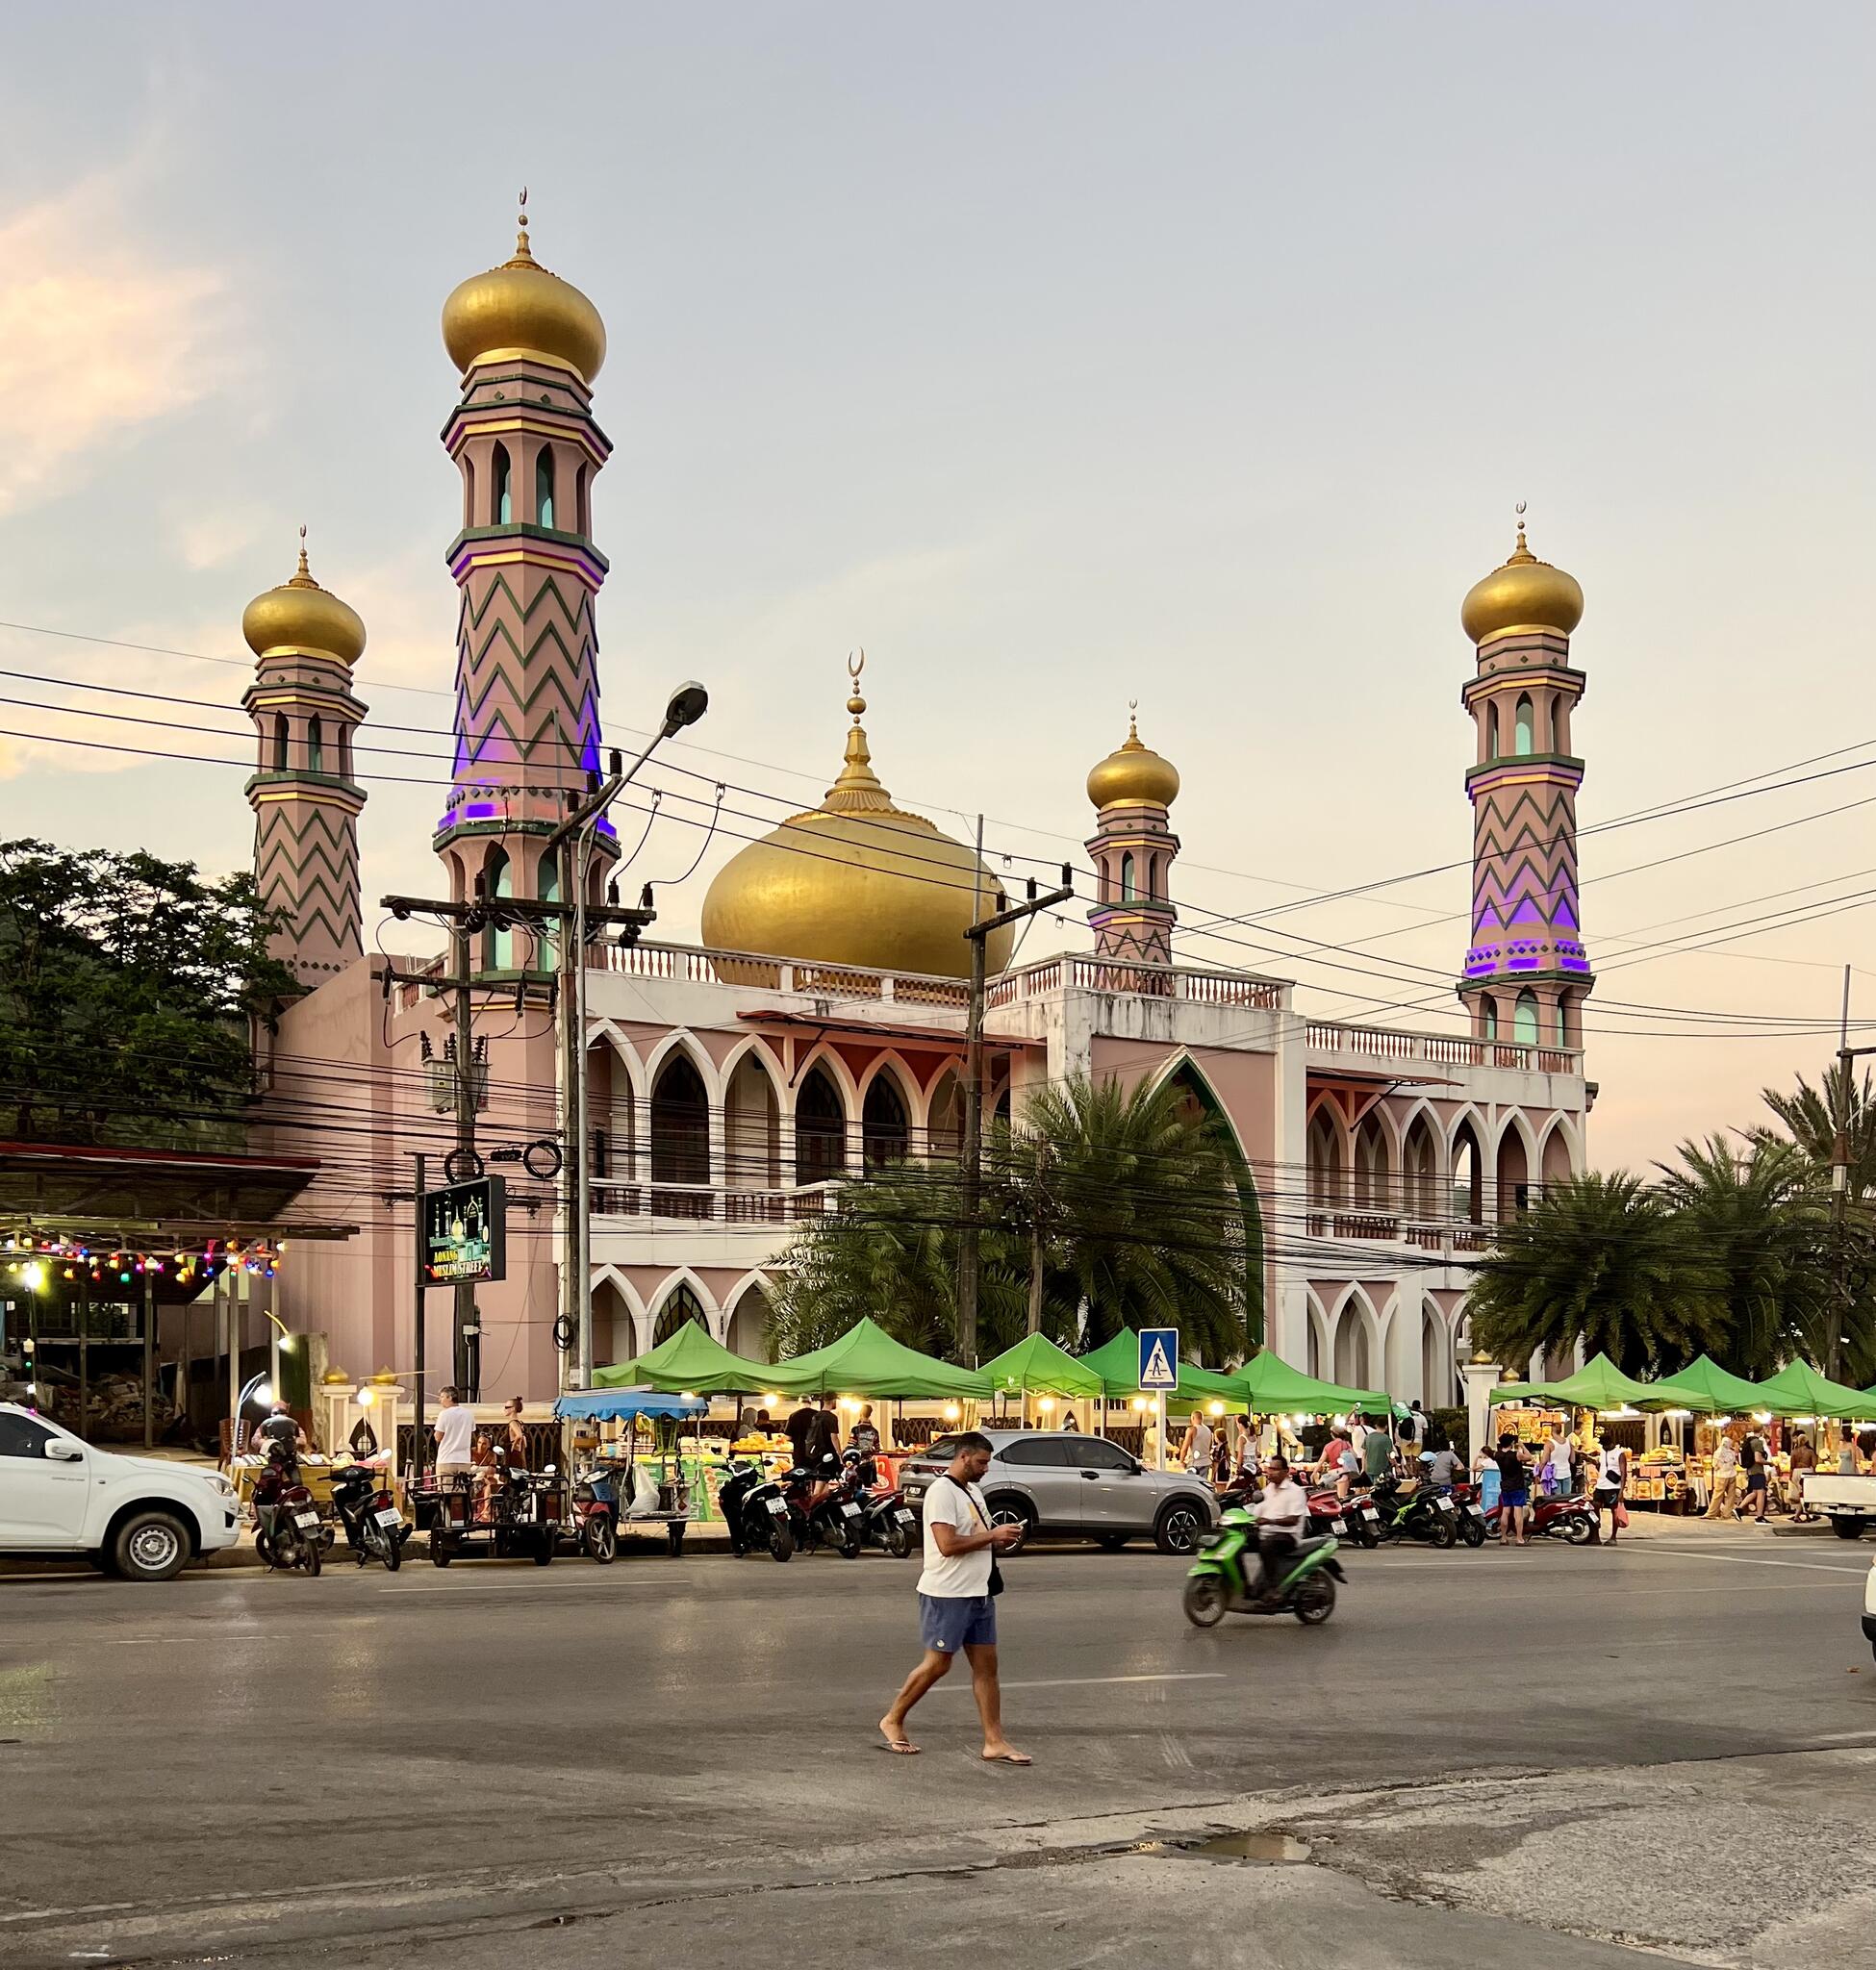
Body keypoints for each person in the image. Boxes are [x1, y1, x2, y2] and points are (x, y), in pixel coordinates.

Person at [878, 1431, 1027, 1763]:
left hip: (979, 1593)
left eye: (987, 1463)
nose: (985, 1469)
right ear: (963, 1458)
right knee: (938, 1664)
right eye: (981, 1462)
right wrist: (993, 1535)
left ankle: (994, 1741)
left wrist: (999, 1538)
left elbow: (977, 1536)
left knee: (987, 1668)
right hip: (948, 1593)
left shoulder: (972, 1491)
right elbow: (946, 1545)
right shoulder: (941, 1492)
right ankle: (892, 1719)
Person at [1251, 1453, 1310, 1604]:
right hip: (1267, 1533)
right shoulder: (1267, 1491)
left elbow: (1293, 1520)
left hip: (1287, 1536)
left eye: (1275, 1469)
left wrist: (1269, 1521)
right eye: (1270, 1468)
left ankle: (1273, 1588)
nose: (1271, 1472)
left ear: (1286, 1471)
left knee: (1267, 1546)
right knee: (1239, 1542)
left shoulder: (1296, 1492)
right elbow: (1255, 1514)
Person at [433, 1386, 477, 1515]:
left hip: (447, 1460)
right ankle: (463, 1520)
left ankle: (447, 1523)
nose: (440, 1400)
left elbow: (438, 1437)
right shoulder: (468, 1414)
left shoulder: (444, 1414)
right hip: (463, 1460)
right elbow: (472, 1433)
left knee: (446, 1494)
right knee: (462, 1494)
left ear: (450, 1397)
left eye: (442, 1397)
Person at [1494, 1433, 1533, 1545]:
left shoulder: (1498, 1455)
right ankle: (1519, 1538)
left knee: (1505, 1511)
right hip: (1517, 1486)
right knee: (1518, 1513)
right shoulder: (1517, 1455)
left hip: (1505, 1485)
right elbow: (1529, 1457)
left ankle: (1503, 1537)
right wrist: (1522, 1446)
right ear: (1511, 1443)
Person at [252, 1401, 306, 1470]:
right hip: (271, 1460)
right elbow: (255, 1440)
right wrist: (268, 1444)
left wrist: (291, 1443)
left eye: (282, 1412)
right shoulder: (266, 1425)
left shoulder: (293, 1425)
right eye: (275, 1413)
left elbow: (302, 1441)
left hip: (289, 1459)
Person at [1593, 1441, 1629, 1545]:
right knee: (1595, 1507)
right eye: (1603, 1445)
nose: (1605, 1447)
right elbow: (1602, 1467)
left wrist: (1621, 1491)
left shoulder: (1620, 1453)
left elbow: (1623, 1473)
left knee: (1614, 1511)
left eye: (1606, 1445)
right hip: (1600, 1485)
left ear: (1612, 1444)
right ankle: (1596, 1536)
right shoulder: (1603, 1451)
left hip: (1613, 1487)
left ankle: (1613, 1537)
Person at [1707, 1434, 1741, 1519]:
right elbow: (1735, 1462)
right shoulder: (1732, 1452)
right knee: (1731, 1496)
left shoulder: (1718, 1452)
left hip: (1721, 1475)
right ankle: (1726, 1514)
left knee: (1718, 1494)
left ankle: (1712, 1513)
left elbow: (1715, 1465)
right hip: (1732, 1474)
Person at [1741, 1436, 1771, 1522]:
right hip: (1757, 1472)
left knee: (1754, 1493)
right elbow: (1758, 1459)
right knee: (1761, 1493)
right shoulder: (1757, 1442)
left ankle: (1738, 1509)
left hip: (1751, 1471)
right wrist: (1769, 1463)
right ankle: (1759, 1516)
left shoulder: (1749, 1442)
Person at [496, 1396, 529, 1472]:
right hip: (519, 1453)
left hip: (514, 1454)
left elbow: (519, 1435)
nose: (504, 1409)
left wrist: (513, 1445)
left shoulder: (512, 1422)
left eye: (506, 1407)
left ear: (513, 1409)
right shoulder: (519, 1423)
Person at [1181, 1408, 1216, 1478]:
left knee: (1192, 1485)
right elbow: (1209, 1447)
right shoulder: (1208, 1430)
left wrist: (1182, 1460)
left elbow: (1185, 1447)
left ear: (1193, 1418)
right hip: (1206, 1462)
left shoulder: (1191, 1430)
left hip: (1194, 1462)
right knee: (1203, 1484)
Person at [1542, 1425, 1574, 1499]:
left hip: (1555, 1475)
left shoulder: (1549, 1443)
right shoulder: (1569, 1442)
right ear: (1561, 1430)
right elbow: (1573, 1460)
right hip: (1567, 1474)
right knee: (1567, 1498)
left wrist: (1539, 1471)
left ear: (1551, 1431)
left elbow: (1544, 1461)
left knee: (1557, 1499)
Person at [1362, 1419, 1396, 1487]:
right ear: (1386, 1426)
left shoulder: (1368, 1437)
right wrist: (1395, 1465)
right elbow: (1390, 1455)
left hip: (1369, 1469)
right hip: (1381, 1469)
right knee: (1380, 1489)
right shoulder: (1386, 1438)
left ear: (1376, 1426)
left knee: (1374, 1488)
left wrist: (1363, 1468)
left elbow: (1364, 1454)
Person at [785, 1402, 817, 1468]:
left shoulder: (793, 1415)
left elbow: (788, 1437)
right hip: (815, 1454)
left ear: (799, 1404)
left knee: (799, 1474)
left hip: (799, 1454)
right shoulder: (817, 1415)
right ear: (810, 1403)